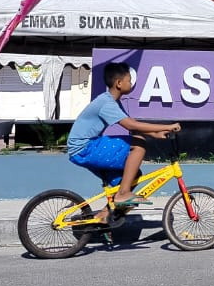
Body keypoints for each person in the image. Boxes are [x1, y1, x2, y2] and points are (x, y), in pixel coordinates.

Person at [67, 62, 181, 224]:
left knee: (134, 175)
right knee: (139, 144)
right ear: (119, 83)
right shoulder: (106, 103)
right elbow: (131, 125)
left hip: (85, 148)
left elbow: (132, 125)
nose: (132, 83)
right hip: (84, 148)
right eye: (129, 80)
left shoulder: (112, 102)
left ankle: (104, 215)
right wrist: (167, 126)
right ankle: (122, 194)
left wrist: (156, 134)